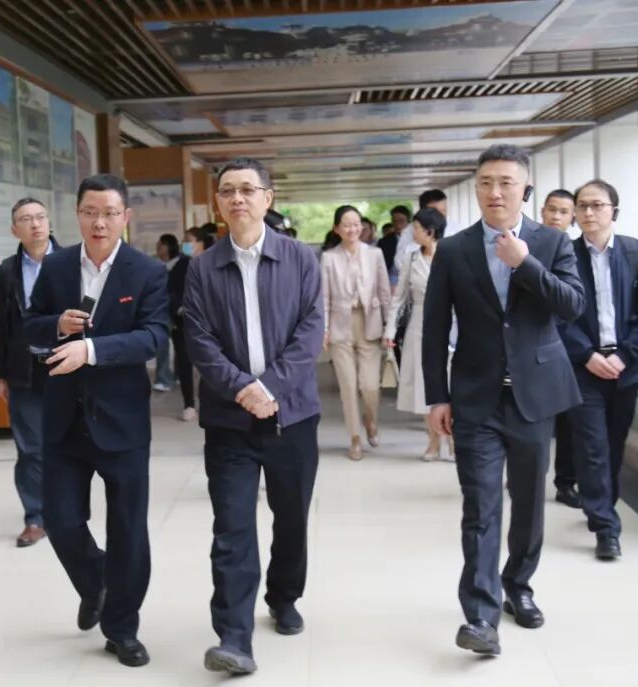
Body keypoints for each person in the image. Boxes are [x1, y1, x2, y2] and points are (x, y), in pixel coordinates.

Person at [423, 144, 585, 656]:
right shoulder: (454, 250)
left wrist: (525, 264)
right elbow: (433, 328)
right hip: (476, 398)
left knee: (530, 503)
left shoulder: (552, 242)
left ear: (525, 189)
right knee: (481, 506)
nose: (495, 192)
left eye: (506, 183)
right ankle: (480, 616)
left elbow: (572, 305)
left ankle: (518, 584)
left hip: (535, 396)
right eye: (486, 183)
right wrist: (436, 397)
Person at [23, 174, 169, 668]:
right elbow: (29, 326)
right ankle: (96, 583)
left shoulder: (146, 272)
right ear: (78, 216)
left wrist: (90, 349)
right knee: (60, 521)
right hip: (64, 419)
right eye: (90, 212)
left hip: (122, 421)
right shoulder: (57, 266)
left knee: (128, 530)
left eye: (108, 213)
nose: (99, 222)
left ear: (125, 217)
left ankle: (122, 629)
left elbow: (153, 337)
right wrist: (55, 325)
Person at [184, 157, 322, 675]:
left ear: (268, 197)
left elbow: (311, 331)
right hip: (229, 422)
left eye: (247, 189)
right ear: (218, 203)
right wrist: (243, 389)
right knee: (232, 527)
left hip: (293, 416)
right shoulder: (202, 267)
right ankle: (234, 636)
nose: (237, 198)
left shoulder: (300, 259)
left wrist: (269, 387)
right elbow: (199, 339)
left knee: (291, 518)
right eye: (227, 191)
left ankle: (284, 597)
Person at [559, 179, 638, 561]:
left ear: (613, 211)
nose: (588, 212)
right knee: (592, 447)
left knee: (614, 445)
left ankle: (603, 504)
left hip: (624, 368)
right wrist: (586, 355)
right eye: (582, 206)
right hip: (583, 367)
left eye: (597, 205)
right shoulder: (564, 256)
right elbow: (557, 314)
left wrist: (625, 356)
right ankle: (605, 528)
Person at [0, 197, 60, 547]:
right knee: (31, 448)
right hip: (25, 371)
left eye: (40, 217)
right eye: (26, 219)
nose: (35, 224)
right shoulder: (6, 272)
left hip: (66, 366)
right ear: (14, 229)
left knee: (68, 445)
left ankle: (66, 510)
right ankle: (35, 517)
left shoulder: (72, 262)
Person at [321, 204, 391, 460]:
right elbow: (323, 297)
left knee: (370, 386)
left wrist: (390, 326)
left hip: (369, 323)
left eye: (356, 224)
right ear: (336, 229)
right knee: (348, 386)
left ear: (362, 227)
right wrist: (324, 329)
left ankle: (370, 420)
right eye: (346, 225)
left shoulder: (375, 254)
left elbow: (384, 292)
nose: (352, 229)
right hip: (340, 326)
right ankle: (355, 437)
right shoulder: (329, 258)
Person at [386, 207, 452, 462]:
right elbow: (400, 297)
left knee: (451, 384)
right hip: (419, 325)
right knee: (425, 386)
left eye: (416, 228)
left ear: (430, 232)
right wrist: (390, 330)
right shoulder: (411, 258)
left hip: (450, 324)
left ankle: (454, 441)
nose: (412, 232)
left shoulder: (451, 255)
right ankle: (433, 441)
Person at [541, 188, 582, 508]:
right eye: (552, 210)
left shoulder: (580, 253)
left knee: (569, 421)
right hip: (536, 346)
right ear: (542, 211)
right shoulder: (526, 245)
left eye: (564, 212)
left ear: (573, 218)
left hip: (573, 350)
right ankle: (523, 473)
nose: (556, 217)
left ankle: (565, 483)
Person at [162, 232, 196, 421]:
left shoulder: (213, 262)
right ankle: (189, 403)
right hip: (183, 321)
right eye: (184, 241)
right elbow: (171, 292)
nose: (186, 245)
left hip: (208, 323)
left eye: (189, 241)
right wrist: (179, 308)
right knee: (184, 362)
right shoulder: (179, 265)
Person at [152, 235, 177, 392]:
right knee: (162, 345)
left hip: (177, 310)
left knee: (181, 347)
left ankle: (178, 376)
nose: (157, 248)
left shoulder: (181, 263)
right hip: (160, 310)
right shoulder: (154, 264)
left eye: (160, 245)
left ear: (167, 247)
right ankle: (163, 378)